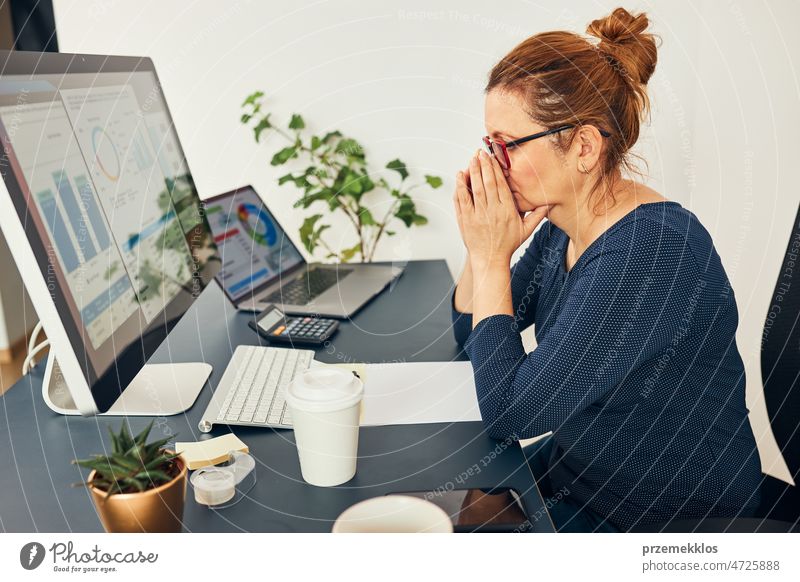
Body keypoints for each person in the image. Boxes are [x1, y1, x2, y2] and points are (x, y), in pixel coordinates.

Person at [451, 7, 762, 532]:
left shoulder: (650, 252)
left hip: (663, 519)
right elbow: (473, 334)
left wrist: (489, 256)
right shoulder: (564, 222)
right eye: (489, 144)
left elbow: (511, 413)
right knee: (469, 502)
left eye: (506, 145)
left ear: (584, 147)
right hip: (583, 471)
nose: (492, 163)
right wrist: (483, 243)